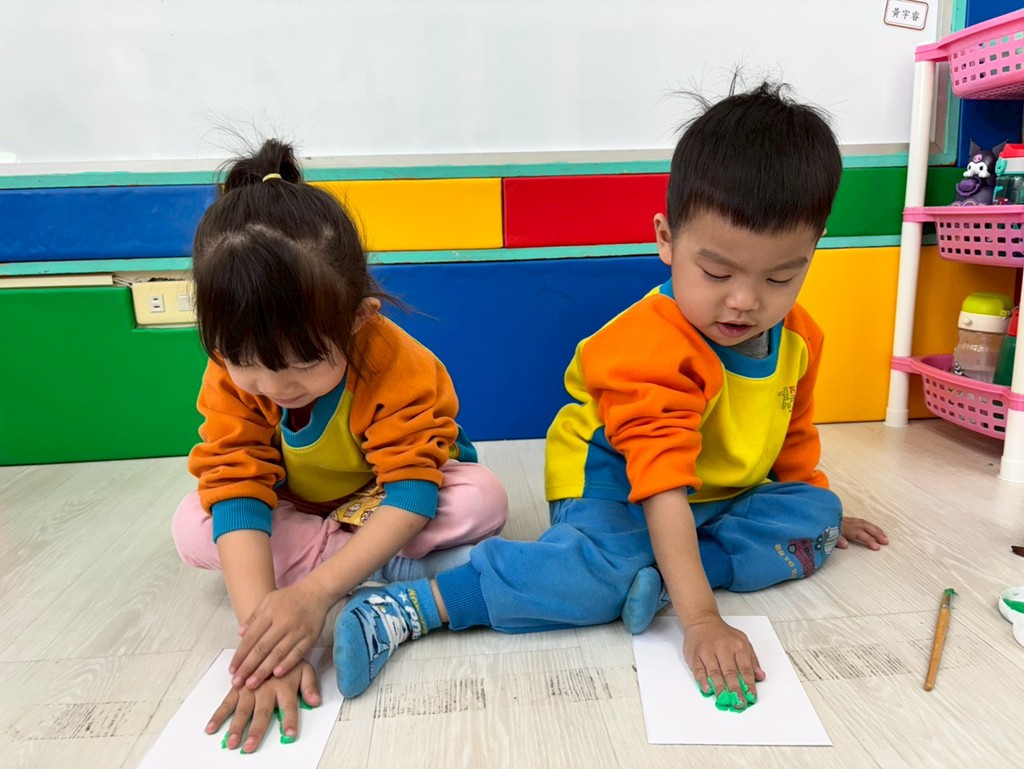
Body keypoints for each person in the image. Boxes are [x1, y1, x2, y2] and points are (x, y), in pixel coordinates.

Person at [332, 80, 888, 707]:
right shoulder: (651, 347)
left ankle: (669, 574)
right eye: (716, 272)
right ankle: (415, 606)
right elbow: (660, 485)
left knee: (817, 516)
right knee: (593, 578)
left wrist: (808, 498)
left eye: (781, 277)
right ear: (666, 238)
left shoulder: (800, 337)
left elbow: (793, 434)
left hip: (715, 495)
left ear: (811, 253)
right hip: (617, 490)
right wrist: (701, 619)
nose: (744, 301)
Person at [170, 139, 508, 753]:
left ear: (358, 317)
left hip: (383, 498)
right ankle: (392, 567)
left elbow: (412, 489)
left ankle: (352, 562)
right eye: (245, 363)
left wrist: (315, 594)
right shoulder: (227, 373)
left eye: (301, 363)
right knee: (192, 528)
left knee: (481, 498)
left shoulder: (393, 359)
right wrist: (268, 641)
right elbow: (236, 483)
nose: (274, 386)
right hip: (303, 507)